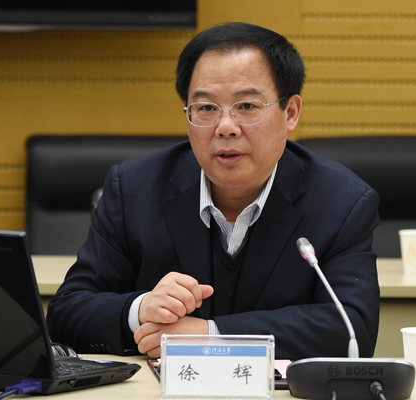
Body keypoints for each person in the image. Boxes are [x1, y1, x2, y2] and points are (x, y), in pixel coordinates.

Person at [46, 22, 380, 360]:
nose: (226, 127)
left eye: (247, 106)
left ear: (290, 112)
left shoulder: (342, 202)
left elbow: (353, 330)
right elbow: (65, 314)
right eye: (206, 108)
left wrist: (211, 335)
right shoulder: (133, 188)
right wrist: (140, 309)